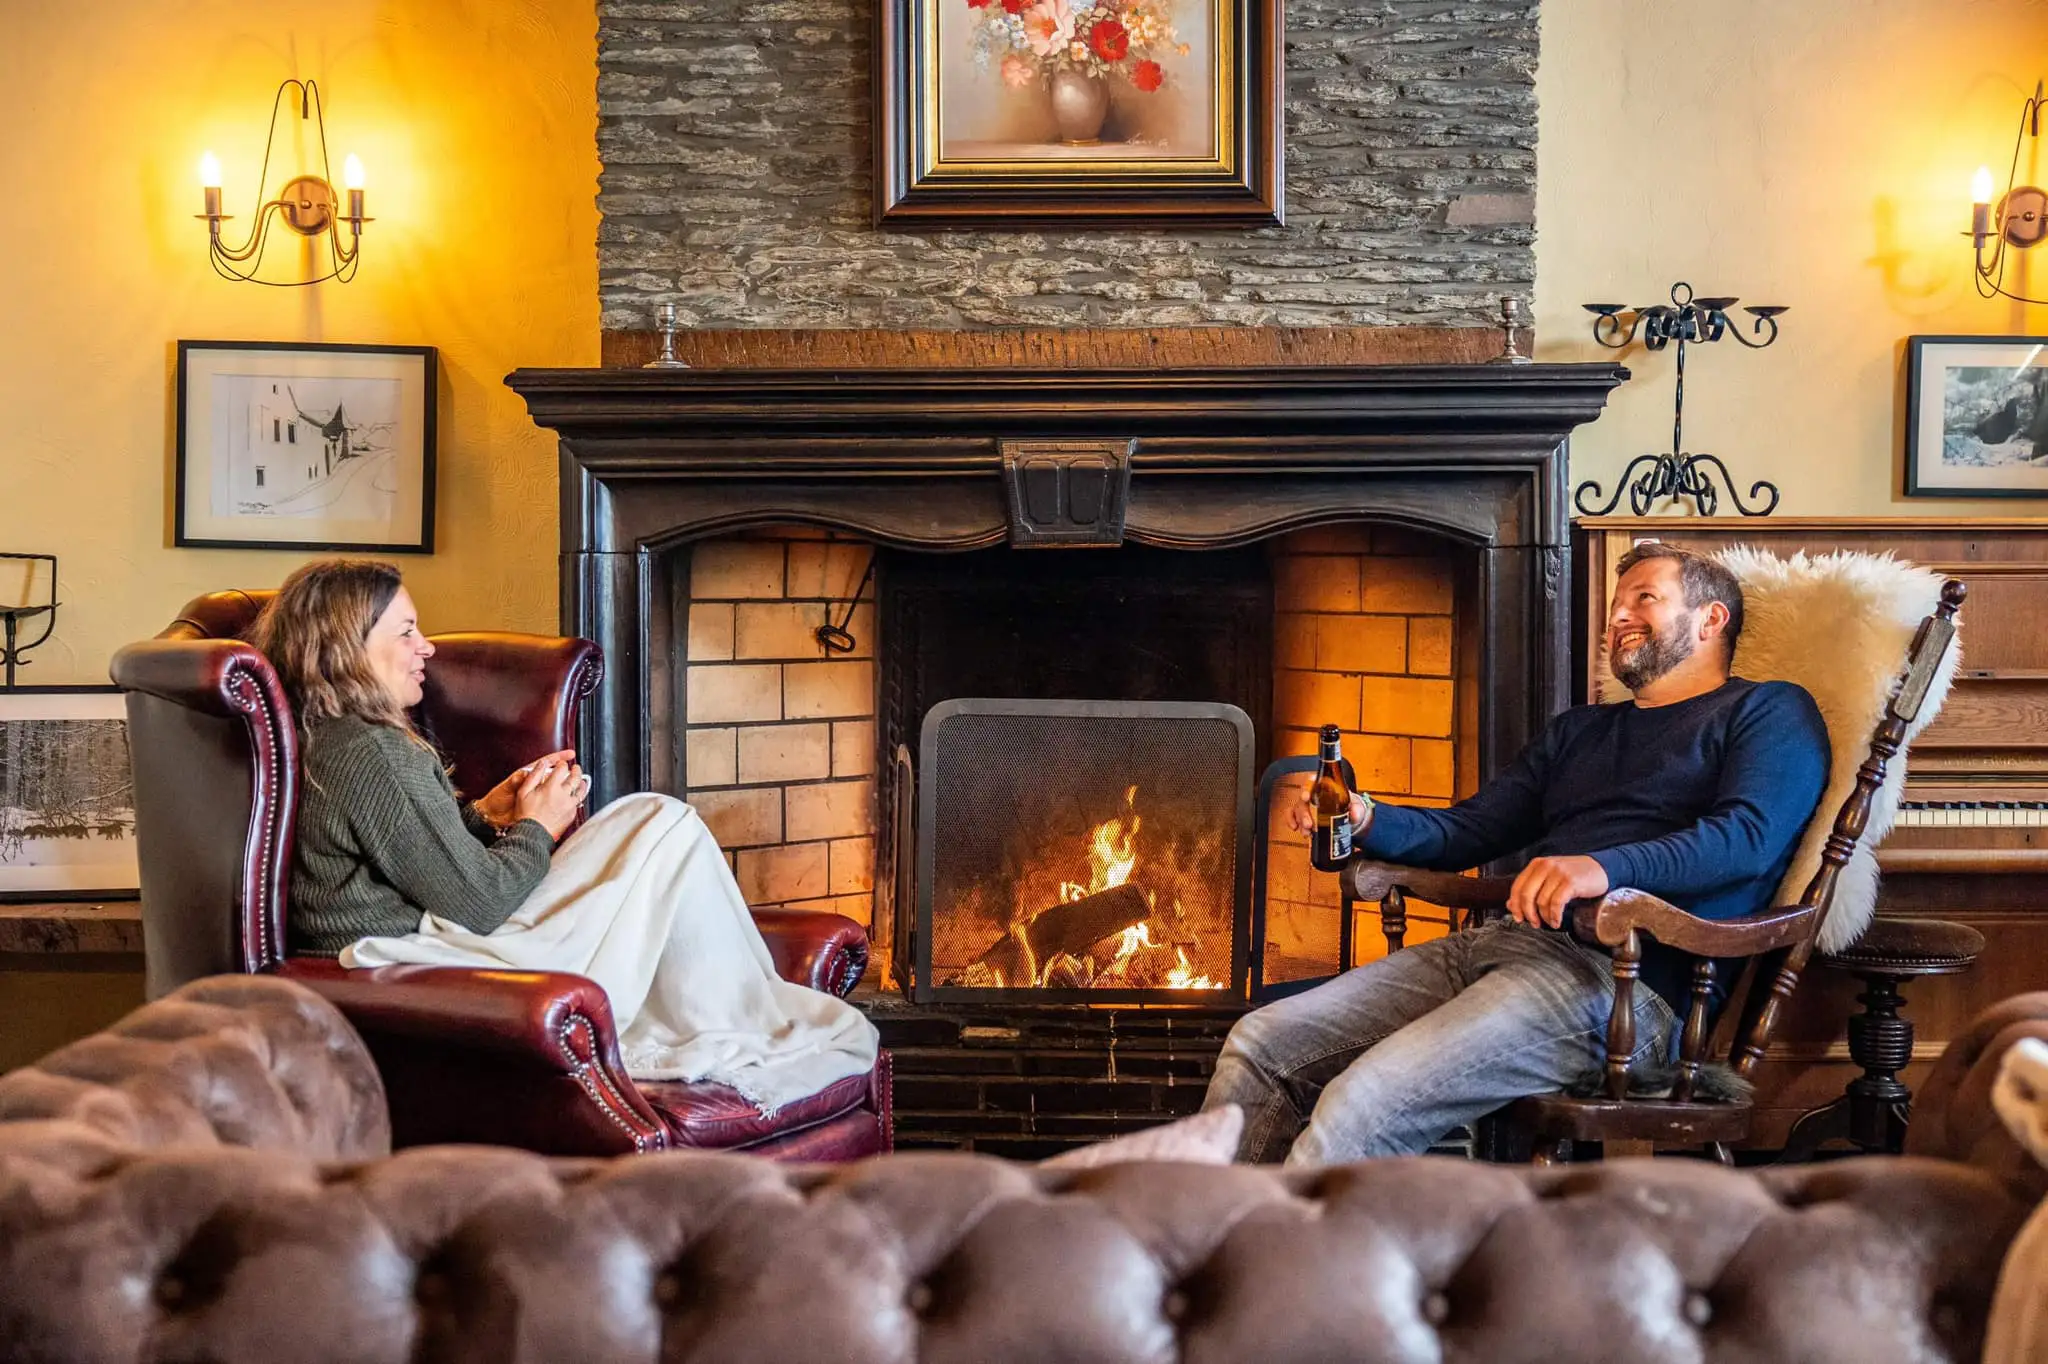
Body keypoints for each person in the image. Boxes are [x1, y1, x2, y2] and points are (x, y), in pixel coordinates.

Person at [1204, 543, 1831, 1165]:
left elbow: (1744, 840)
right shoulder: (1581, 731)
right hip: (1501, 946)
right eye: (1616, 604)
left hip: (1622, 986)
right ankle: (1211, 1227)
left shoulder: (1768, 710)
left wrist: (1602, 869)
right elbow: (1470, 830)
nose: (1618, 617)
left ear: (1711, 619)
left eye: (1645, 598)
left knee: (1363, 1101)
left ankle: (1290, 1236)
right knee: (1261, 1043)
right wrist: (1365, 816)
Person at [249, 558, 877, 1112]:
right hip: (437, 957)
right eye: (407, 631)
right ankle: (733, 1015)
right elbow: (480, 903)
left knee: (654, 824)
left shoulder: (331, 737)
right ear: (349, 649)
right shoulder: (374, 751)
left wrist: (486, 817)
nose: (427, 647)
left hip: (416, 942)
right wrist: (537, 826)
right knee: (663, 822)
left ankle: (726, 1011)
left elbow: (405, 855)